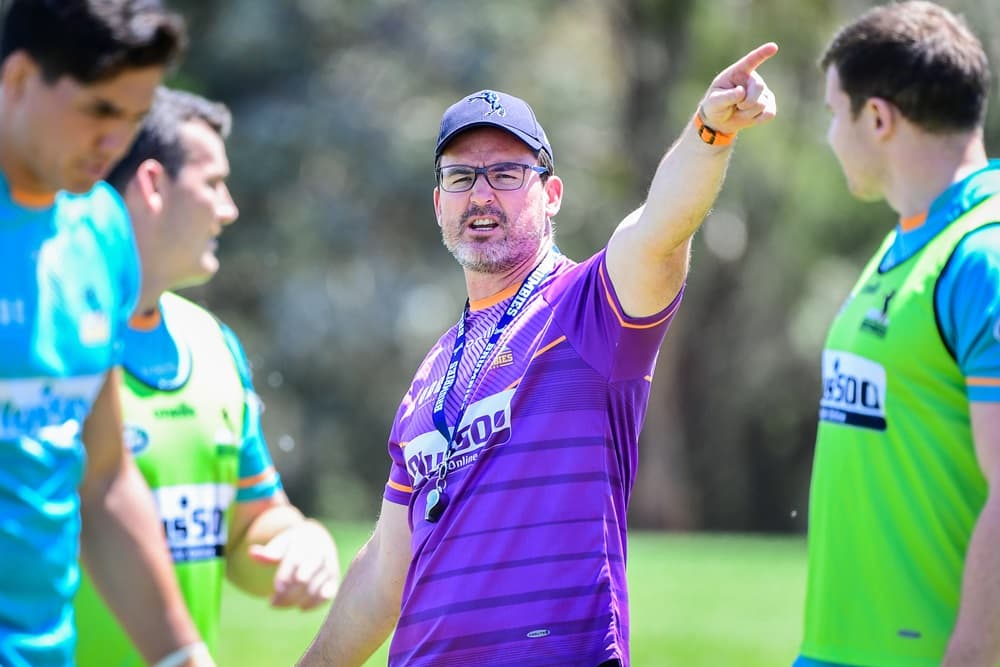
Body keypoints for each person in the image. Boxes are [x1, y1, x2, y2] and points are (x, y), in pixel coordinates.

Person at [298, 43, 778, 667]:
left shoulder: (589, 310)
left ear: (551, 194)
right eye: (461, 177)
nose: (481, 195)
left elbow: (660, 231)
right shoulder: (435, 368)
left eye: (506, 174)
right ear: (438, 202)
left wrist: (709, 132)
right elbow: (388, 570)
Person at [72, 87, 342, 666]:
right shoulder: (49, 339)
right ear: (152, 184)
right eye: (213, 183)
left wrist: (299, 542)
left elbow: (248, 531)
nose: (229, 208)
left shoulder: (212, 344)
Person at [0, 2, 219, 667]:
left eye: (134, 117)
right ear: (16, 81)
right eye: (99, 110)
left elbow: (101, 476)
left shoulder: (100, 229)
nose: (116, 141)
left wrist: (183, 656)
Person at [795, 3, 1000, 666]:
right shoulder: (911, 238)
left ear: (877, 117)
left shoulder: (983, 257)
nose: (830, 136)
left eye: (833, 113)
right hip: (835, 650)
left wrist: (970, 651)